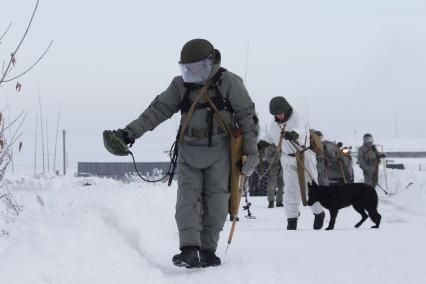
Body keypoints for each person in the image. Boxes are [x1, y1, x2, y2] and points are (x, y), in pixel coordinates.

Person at [103, 39, 259, 268]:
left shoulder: (230, 82)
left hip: (221, 152)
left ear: (210, 61)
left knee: (217, 200)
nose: (193, 72)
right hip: (188, 150)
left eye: (198, 67)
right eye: (189, 68)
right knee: (187, 199)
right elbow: (157, 111)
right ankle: (189, 250)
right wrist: (129, 133)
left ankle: (207, 250)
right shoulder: (180, 85)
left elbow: (248, 118)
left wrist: (251, 152)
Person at [260, 97, 325, 230]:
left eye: (280, 113)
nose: (278, 116)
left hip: (304, 155)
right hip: (287, 158)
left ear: (286, 109)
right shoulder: (274, 123)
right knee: (290, 189)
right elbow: (270, 137)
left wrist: (293, 134)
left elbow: (299, 130)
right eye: (275, 114)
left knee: (311, 187)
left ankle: (319, 213)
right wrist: (260, 144)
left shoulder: (297, 117)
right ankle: (292, 220)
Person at [263, 144, 284, 208]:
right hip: (273, 169)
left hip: (282, 169)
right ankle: (271, 201)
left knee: (282, 186)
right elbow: (269, 159)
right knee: (272, 186)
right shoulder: (270, 147)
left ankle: (279, 201)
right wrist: (278, 155)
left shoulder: (284, 146)